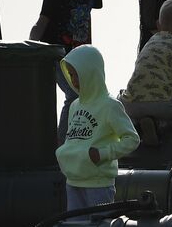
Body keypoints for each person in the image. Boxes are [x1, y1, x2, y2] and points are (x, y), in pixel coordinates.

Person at [29, 0, 103, 141]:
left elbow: (86, 19)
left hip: (80, 55)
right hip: (57, 54)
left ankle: (83, 141)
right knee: (74, 95)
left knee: (91, 95)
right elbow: (41, 23)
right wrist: (33, 49)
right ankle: (61, 147)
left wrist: (90, 51)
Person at [56, 46, 140, 211]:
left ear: (91, 72)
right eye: (71, 75)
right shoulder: (74, 106)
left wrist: (102, 154)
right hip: (73, 181)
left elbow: (132, 139)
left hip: (98, 184)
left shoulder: (110, 105)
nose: (73, 81)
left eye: (77, 75)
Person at [121, 0, 172, 138]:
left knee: (123, 95)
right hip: (161, 106)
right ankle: (161, 125)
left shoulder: (151, 41)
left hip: (130, 105)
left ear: (158, 24)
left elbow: (153, 70)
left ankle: (136, 124)